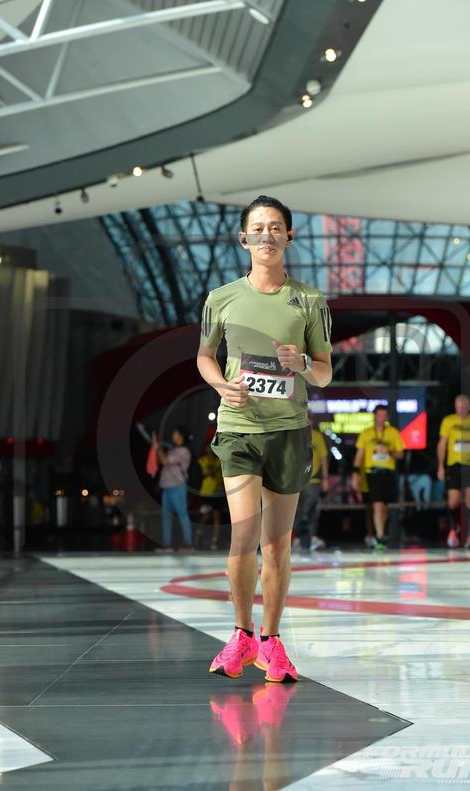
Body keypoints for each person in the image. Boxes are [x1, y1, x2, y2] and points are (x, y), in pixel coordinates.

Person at [197, 194, 332, 682]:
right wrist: (221, 385)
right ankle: (240, 634)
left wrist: (303, 364)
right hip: (239, 428)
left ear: (289, 237)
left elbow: (324, 374)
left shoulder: (310, 301)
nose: (267, 235)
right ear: (244, 239)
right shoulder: (221, 298)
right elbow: (205, 356)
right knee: (244, 535)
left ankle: (271, 642)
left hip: (289, 431)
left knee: (276, 545)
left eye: (276, 227)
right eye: (258, 228)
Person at [437, 394, 470, 550]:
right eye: (457, 407)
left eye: (463, 407)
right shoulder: (448, 421)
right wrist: (440, 466)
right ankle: (454, 529)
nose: (460, 410)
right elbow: (442, 444)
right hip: (454, 464)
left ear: (469, 407)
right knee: (453, 501)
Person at [351, 405, 405, 549]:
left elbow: (401, 454)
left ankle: (379, 533)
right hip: (372, 472)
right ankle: (380, 536)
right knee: (377, 504)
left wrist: (389, 451)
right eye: (379, 415)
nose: (382, 418)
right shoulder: (366, 433)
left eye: (384, 415)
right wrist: (355, 473)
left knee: (385, 507)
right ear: (374, 416)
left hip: (388, 472)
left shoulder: (393, 432)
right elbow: (359, 454)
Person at [153, 426, 193, 549]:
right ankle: (166, 544)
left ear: (181, 436)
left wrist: (158, 449)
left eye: (175, 433)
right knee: (166, 517)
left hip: (177, 487)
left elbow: (165, 461)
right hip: (167, 487)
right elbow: (161, 461)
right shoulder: (173, 450)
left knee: (182, 514)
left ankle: (188, 544)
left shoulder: (184, 451)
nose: (173, 435)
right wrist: (158, 450)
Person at [292, 422, 329, 552]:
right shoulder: (293, 435)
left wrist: (325, 478)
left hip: (313, 479)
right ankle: (297, 538)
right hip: (296, 479)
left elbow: (323, 457)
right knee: (296, 510)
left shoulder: (317, 436)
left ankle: (311, 537)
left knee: (311, 509)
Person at [198, 441, 225, 550]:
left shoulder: (219, 460)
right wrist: (213, 469)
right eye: (208, 447)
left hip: (217, 492)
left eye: (212, 447)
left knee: (217, 516)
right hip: (206, 493)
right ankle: (199, 532)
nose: (210, 449)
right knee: (206, 515)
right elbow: (205, 473)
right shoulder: (202, 460)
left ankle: (215, 541)